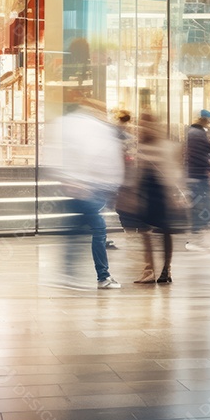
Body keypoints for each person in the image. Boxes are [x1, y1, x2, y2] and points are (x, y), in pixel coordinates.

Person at [42, 94, 125, 290]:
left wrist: (66, 179)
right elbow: (102, 157)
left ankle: (70, 272)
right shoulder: (95, 128)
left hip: (82, 187)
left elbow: (56, 152)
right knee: (97, 230)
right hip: (89, 189)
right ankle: (100, 276)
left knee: (77, 228)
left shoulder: (71, 124)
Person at [125, 117, 185, 285]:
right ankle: (149, 269)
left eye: (148, 124)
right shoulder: (143, 145)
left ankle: (166, 268)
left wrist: (174, 194)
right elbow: (138, 170)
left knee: (165, 231)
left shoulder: (165, 146)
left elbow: (172, 171)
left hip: (161, 191)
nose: (145, 128)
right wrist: (134, 193)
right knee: (145, 231)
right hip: (147, 190)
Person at [186, 111, 210, 233]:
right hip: (199, 173)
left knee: (197, 201)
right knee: (205, 200)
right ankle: (204, 225)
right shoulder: (198, 134)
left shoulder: (192, 132)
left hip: (193, 173)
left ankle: (198, 226)